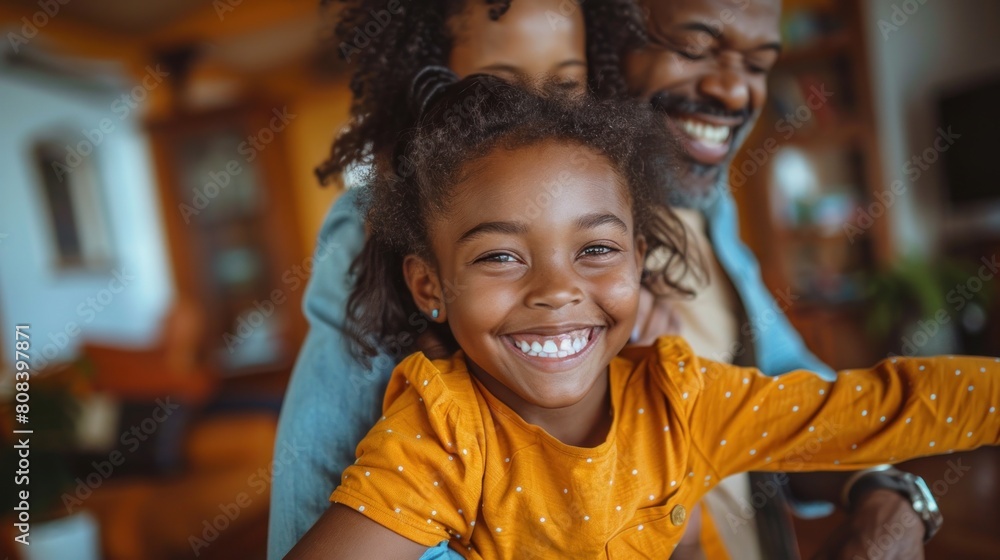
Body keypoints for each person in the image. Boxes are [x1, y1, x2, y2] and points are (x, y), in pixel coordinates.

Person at [284, 72, 1000, 559]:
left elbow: (877, 407)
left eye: (595, 248)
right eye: (500, 257)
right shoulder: (441, 431)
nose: (557, 290)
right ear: (429, 285)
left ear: (640, 259)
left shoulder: (685, 399)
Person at [267, 2, 642, 558]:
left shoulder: (621, 206)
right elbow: (312, 492)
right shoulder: (367, 231)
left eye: (566, 82)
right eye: (498, 85)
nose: (534, 110)